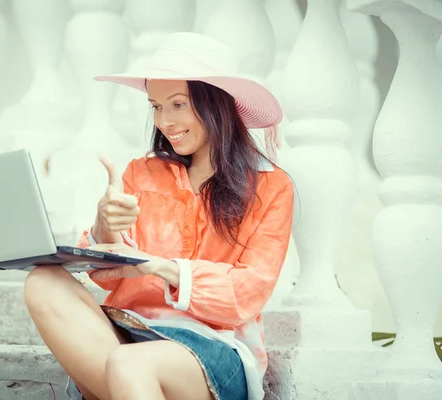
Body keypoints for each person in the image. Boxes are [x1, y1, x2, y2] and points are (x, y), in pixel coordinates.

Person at [24, 32, 295, 400]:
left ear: (218, 104)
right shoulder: (140, 173)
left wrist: (161, 266)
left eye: (178, 104)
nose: (165, 120)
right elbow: (111, 276)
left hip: (210, 348)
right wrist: (106, 223)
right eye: (156, 106)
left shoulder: (271, 186)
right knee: (43, 282)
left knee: (128, 364)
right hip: (128, 329)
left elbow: (246, 293)